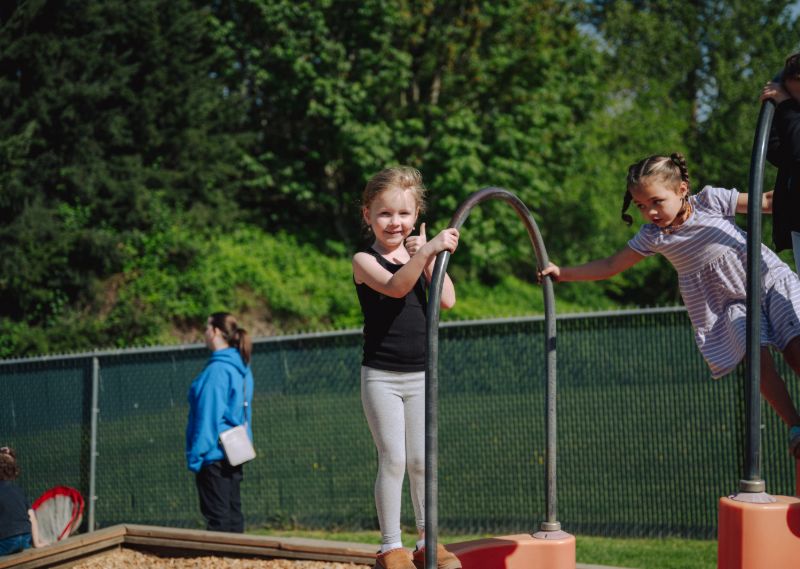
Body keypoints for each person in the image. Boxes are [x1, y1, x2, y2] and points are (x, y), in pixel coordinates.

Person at [539, 153, 800, 456]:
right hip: (728, 304)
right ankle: (795, 426)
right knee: (754, 361)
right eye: (640, 206)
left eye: (656, 201)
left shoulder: (710, 202)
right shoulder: (653, 237)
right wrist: (563, 274)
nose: (649, 212)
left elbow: (766, 202)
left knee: (795, 345)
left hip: (766, 281)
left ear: (682, 189)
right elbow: (611, 264)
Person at [352, 166, 461, 569]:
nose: (394, 222)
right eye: (384, 213)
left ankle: (427, 540)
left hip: (421, 375)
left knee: (421, 460)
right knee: (393, 458)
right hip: (381, 375)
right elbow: (397, 287)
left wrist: (430, 256)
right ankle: (390, 546)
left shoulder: (420, 255)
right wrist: (429, 250)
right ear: (368, 215)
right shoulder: (364, 259)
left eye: (403, 214)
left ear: (416, 216)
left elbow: (446, 299)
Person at [186, 312, 254, 533]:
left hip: (213, 454)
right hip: (234, 451)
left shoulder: (217, 370)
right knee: (233, 515)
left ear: (215, 331)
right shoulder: (242, 368)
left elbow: (208, 416)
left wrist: (197, 456)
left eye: (207, 328)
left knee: (218, 519)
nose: (204, 333)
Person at [760, 52, 800, 273]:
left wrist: (785, 105)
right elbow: (778, 153)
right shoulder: (791, 114)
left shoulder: (789, 110)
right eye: (794, 98)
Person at [0, 447, 43, 556]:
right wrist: (36, 542)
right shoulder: (18, 490)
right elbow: (31, 515)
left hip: (5, 541)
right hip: (25, 538)